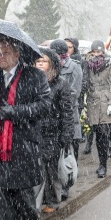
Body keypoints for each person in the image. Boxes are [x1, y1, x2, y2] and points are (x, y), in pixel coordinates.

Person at [0, 37, 51, 220]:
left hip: (23, 144)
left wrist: (16, 112)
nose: (1, 57)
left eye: (5, 53)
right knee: (3, 195)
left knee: (23, 194)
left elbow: (44, 105)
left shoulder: (35, 76)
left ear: (17, 54)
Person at [35, 47, 74, 213]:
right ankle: (39, 199)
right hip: (35, 131)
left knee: (51, 170)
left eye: (43, 61)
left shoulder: (60, 83)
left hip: (53, 133)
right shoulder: (32, 81)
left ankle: (53, 200)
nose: (39, 64)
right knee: (37, 168)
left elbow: (67, 111)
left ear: (52, 64)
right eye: (37, 61)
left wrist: (66, 134)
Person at [81, 40, 111, 177]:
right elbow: (84, 81)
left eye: (99, 51)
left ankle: (103, 164)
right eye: (95, 52)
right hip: (92, 100)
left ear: (103, 51)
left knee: (103, 134)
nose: (97, 54)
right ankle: (101, 163)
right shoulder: (87, 63)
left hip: (105, 99)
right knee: (96, 133)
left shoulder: (110, 62)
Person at [50, 39, 82, 201]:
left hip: (69, 114)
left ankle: (66, 185)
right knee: (54, 155)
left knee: (68, 153)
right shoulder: (50, 67)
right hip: (52, 117)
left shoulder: (74, 67)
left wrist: (57, 102)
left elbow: (75, 91)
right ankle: (54, 186)